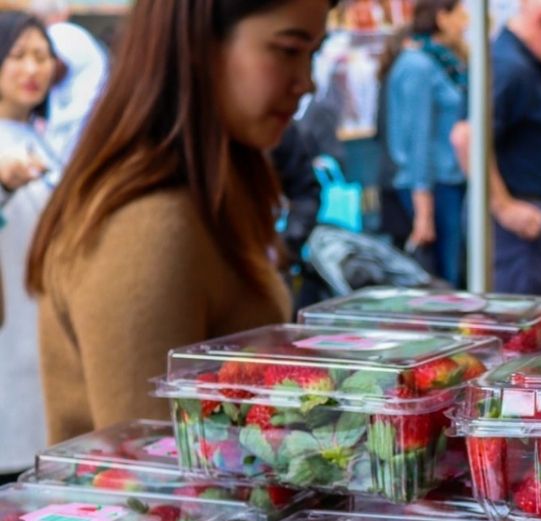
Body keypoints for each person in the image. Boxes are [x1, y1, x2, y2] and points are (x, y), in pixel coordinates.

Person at [26, 0, 332, 445]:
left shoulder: (213, 188)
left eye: (313, 54)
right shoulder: (147, 224)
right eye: (288, 50)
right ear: (198, 45)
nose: (306, 82)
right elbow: (151, 476)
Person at [451, 0, 541, 295]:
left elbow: (512, 133)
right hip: (514, 227)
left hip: (524, 219)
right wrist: (505, 208)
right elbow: (467, 137)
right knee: (515, 326)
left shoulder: (523, 63)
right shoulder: (510, 65)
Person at [0, 12, 59, 481]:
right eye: (18, 55)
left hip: (42, 338)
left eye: (41, 56)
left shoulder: (45, 141)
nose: (32, 68)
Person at [384, 0, 469, 287]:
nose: (467, 21)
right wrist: (423, 210)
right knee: (443, 283)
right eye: (461, 13)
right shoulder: (418, 66)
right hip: (432, 188)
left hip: (447, 183)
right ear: (442, 18)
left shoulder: (443, 62)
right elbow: (416, 138)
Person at [26, 0, 107, 163]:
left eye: (41, 58)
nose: (32, 69)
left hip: (81, 133)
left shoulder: (62, 32)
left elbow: (56, 67)